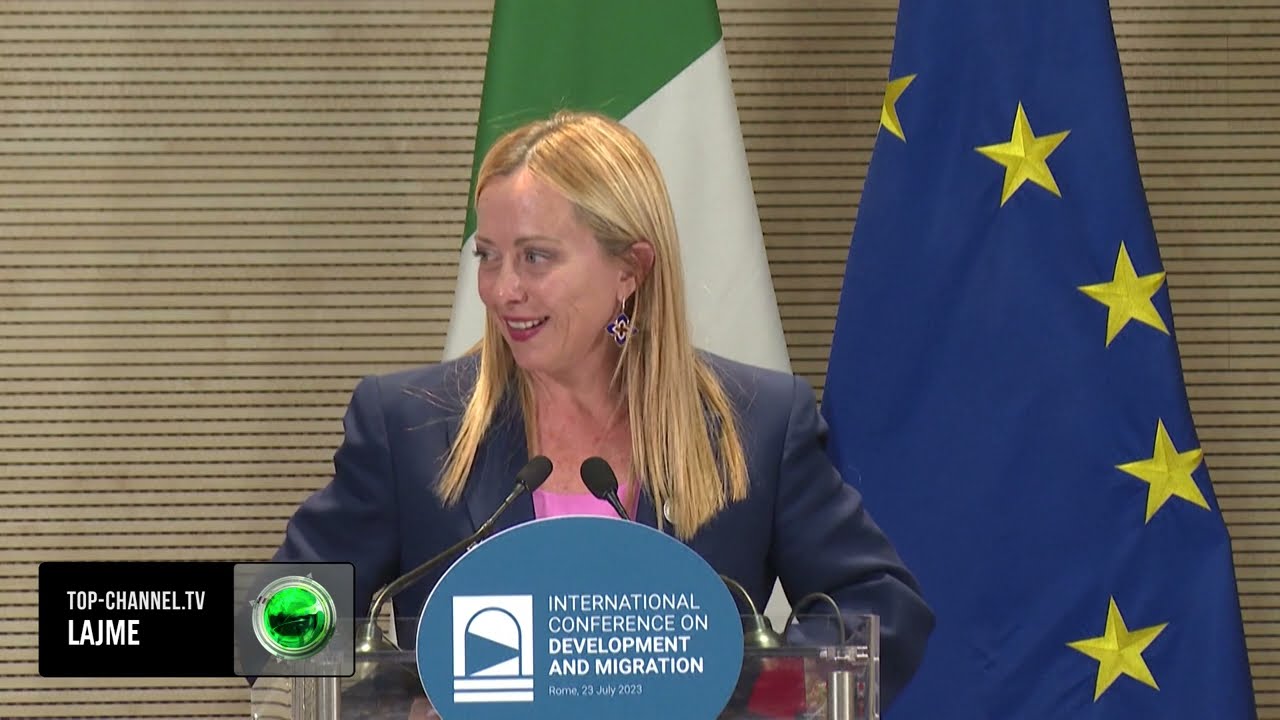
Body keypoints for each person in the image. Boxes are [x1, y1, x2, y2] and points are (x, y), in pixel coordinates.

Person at [272, 110, 934, 705]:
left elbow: (883, 606)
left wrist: (762, 699)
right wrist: (398, 704)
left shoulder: (755, 422)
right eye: (488, 257)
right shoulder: (408, 425)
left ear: (630, 270)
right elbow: (277, 620)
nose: (502, 290)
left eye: (536, 257)